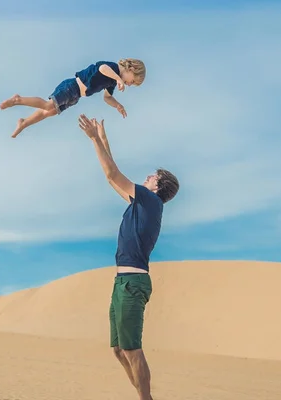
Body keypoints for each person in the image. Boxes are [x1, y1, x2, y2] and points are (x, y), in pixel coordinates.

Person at [77, 114, 180, 400]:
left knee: (132, 349)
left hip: (133, 282)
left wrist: (95, 140)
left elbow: (113, 175)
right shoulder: (143, 204)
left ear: (157, 186)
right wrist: (103, 139)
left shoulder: (150, 200)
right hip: (122, 281)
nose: (146, 177)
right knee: (118, 349)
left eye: (151, 177)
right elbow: (113, 180)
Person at [0, 58, 146, 138]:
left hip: (76, 96)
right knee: (47, 105)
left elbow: (107, 97)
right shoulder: (113, 68)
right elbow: (102, 69)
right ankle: (18, 99)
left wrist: (118, 105)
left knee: (50, 112)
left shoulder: (113, 82)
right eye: (133, 81)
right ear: (131, 69)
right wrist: (119, 79)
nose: (130, 84)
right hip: (71, 87)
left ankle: (24, 122)